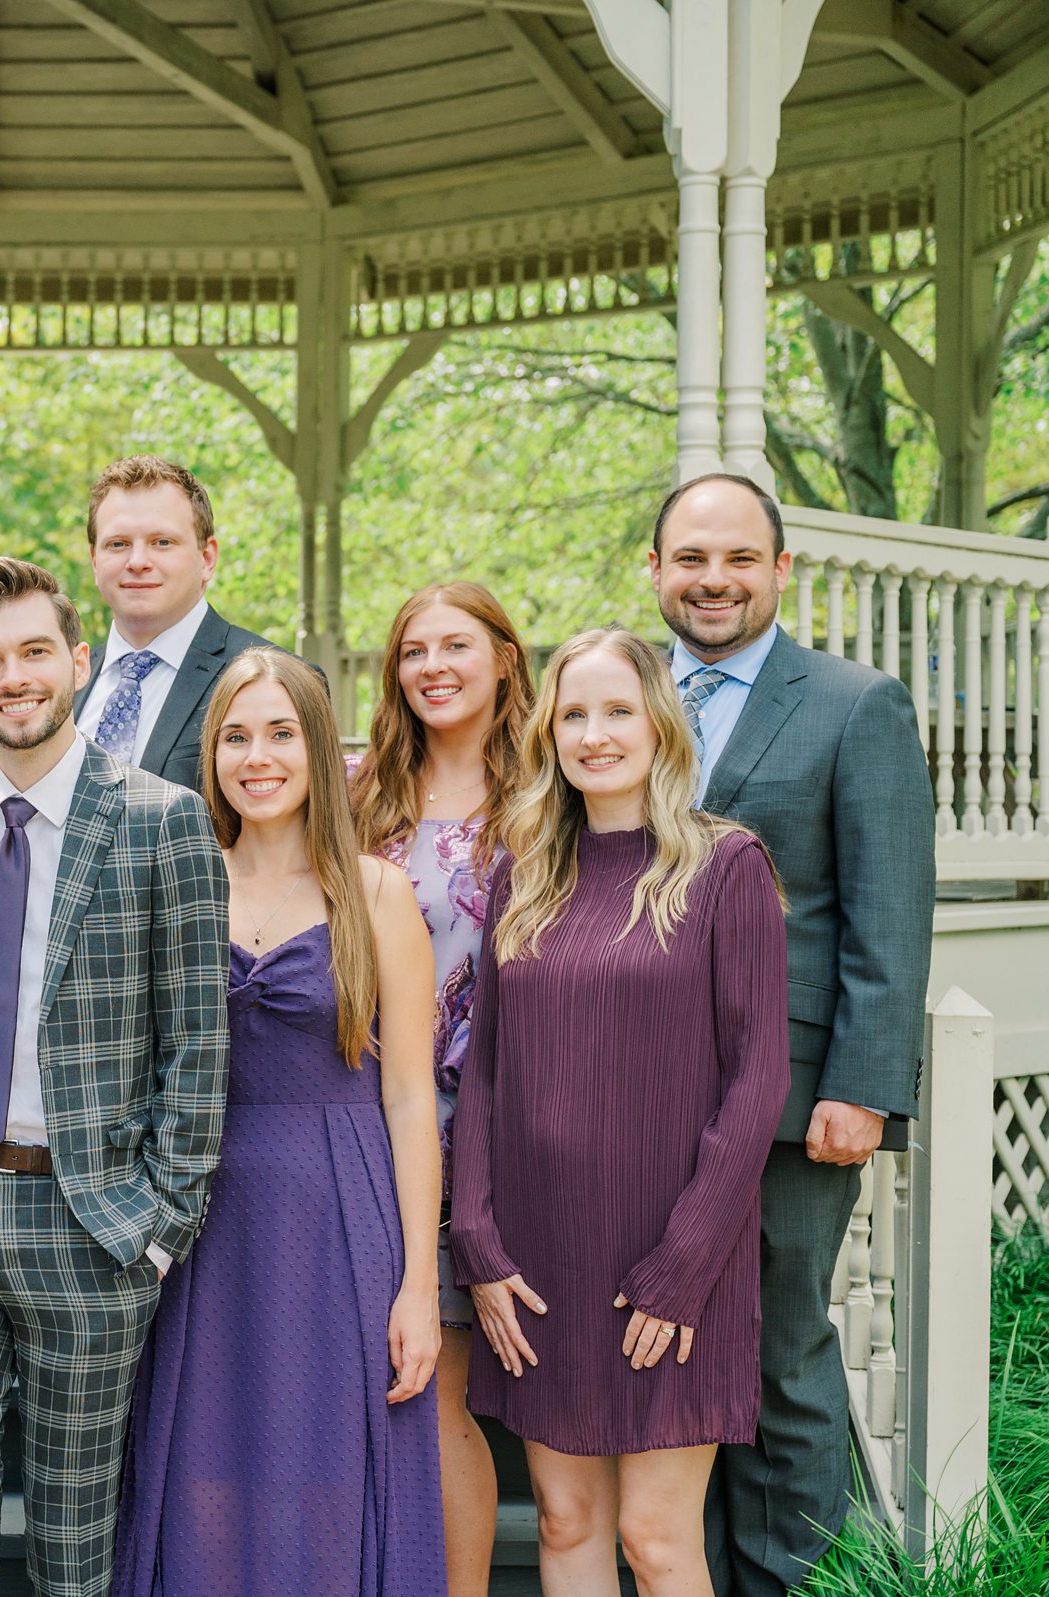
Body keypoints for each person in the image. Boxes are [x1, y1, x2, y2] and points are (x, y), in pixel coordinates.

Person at [0, 556, 229, 1597]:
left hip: (93, 1219)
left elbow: (200, 1042)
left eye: (35, 650)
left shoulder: (163, 818)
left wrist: (160, 1229)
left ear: (79, 660)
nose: (14, 676)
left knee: (76, 1544)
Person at [450, 627, 791, 1597]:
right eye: (573, 714)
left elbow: (758, 1079)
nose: (594, 734)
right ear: (548, 733)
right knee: (566, 1522)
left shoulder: (727, 869)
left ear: (659, 723)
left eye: (616, 711)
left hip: (676, 1262)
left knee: (655, 1535)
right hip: (541, 1261)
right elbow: (488, 1075)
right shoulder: (525, 877)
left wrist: (682, 1269)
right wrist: (478, 1240)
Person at [644, 474, 934, 1595]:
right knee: (661, 1353)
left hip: (788, 1101)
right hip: (638, 1096)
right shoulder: (626, 693)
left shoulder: (855, 704)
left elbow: (888, 907)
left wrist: (861, 1084)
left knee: (778, 1350)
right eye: (690, 559)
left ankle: (796, 1583)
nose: (712, 580)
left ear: (780, 570)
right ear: (655, 568)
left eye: (736, 559)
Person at [113, 647, 446, 1597]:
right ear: (210, 754)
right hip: (199, 1223)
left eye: (280, 732)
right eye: (234, 736)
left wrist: (419, 1283)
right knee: (198, 1473)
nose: (257, 756)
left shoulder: (376, 893)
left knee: (334, 1471)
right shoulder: (178, 879)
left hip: (341, 1217)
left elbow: (412, 1095)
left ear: (319, 748)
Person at [348, 581, 538, 1597]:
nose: (433, 666)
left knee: (436, 1389)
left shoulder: (549, 797)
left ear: (506, 657)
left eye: (456, 645)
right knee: (356, 1383)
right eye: (413, 649)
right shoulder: (357, 790)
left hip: (479, 1136)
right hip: (349, 1122)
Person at [74, 454, 290, 784]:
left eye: (162, 542)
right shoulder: (65, 681)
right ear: (94, 560)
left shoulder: (279, 678)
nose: (137, 561)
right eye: (118, 544)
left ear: (207, 558)